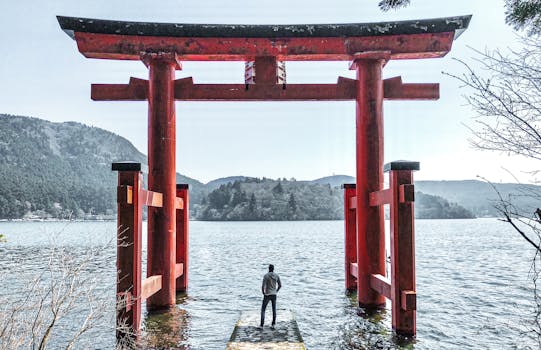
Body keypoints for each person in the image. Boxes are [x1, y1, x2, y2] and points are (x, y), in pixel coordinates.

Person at [260, 264, 281, 329]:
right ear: (273, 269)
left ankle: (261, 325)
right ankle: (273, 324)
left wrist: (263, 292)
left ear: (269, 268)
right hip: (274, 294)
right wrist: (276, 291)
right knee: (274, 309)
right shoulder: (276, 275)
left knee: (263, 309)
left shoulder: (266, 276)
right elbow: (280, 285)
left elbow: (263, 286)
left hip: (267, 294)